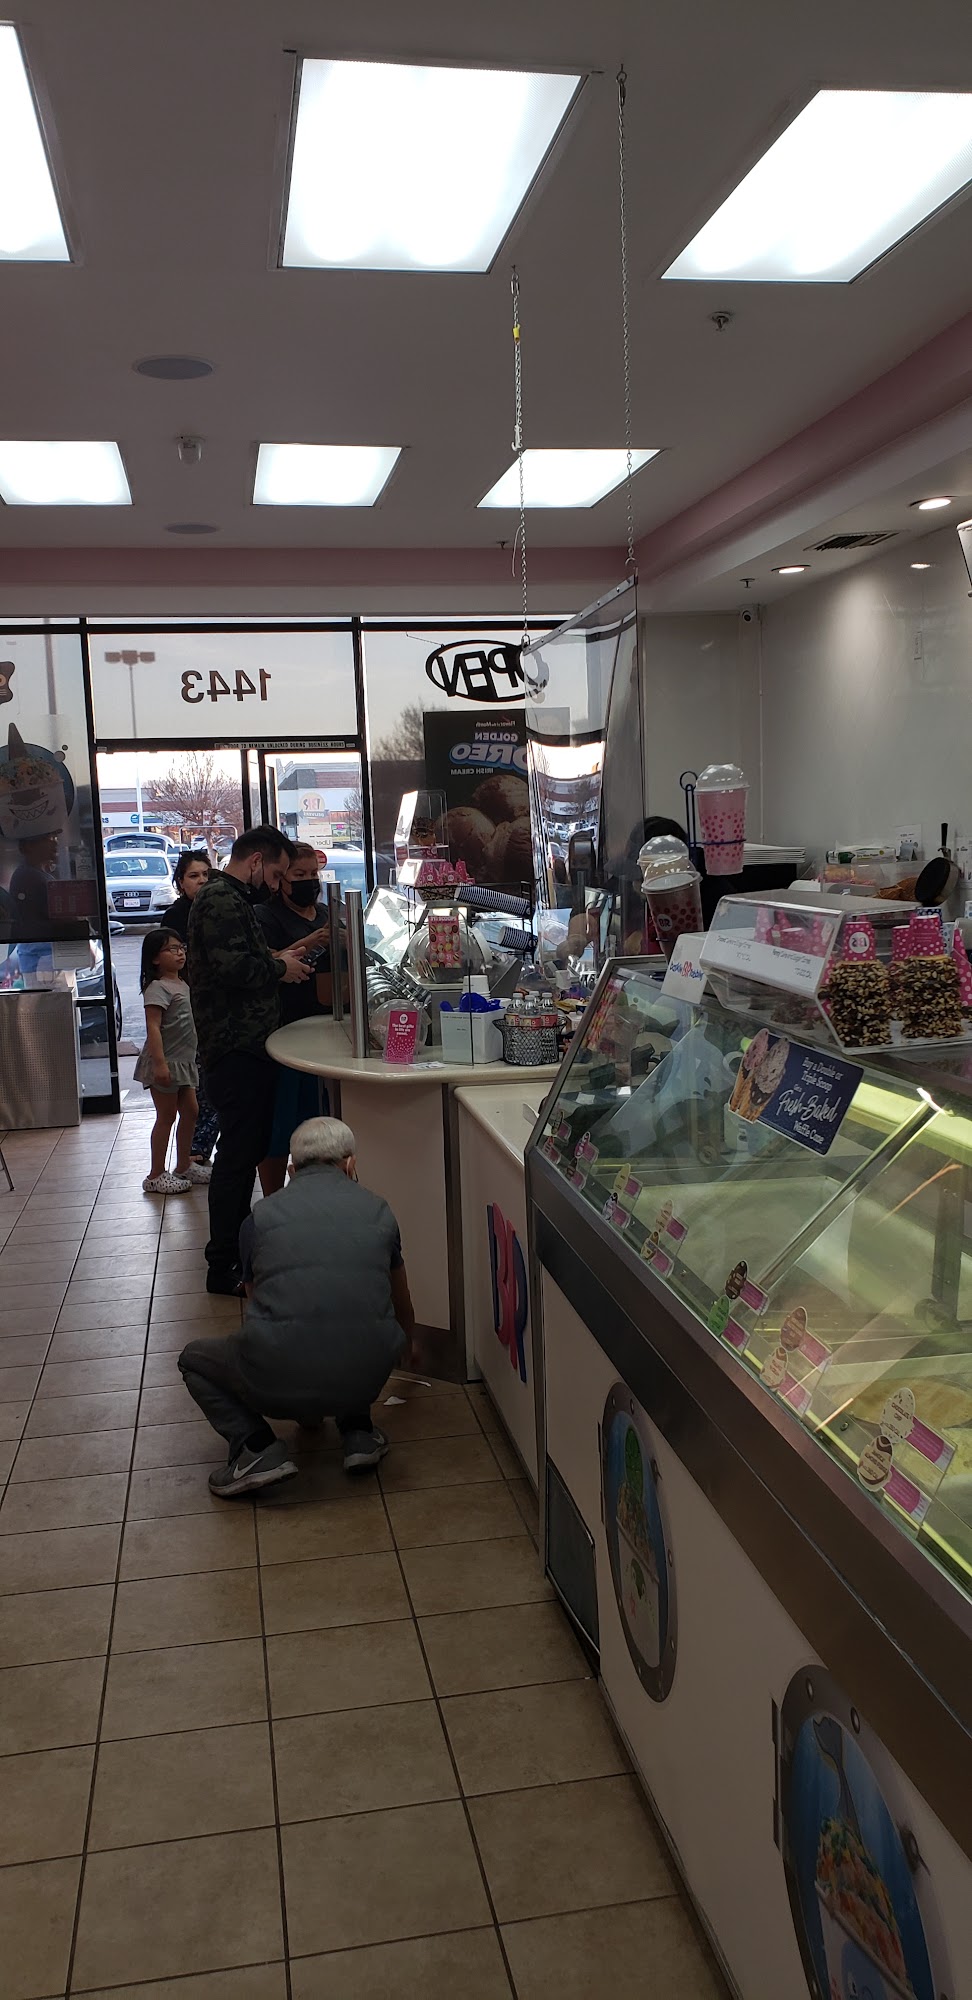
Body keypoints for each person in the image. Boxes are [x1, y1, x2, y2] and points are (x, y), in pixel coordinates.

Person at [178, 1116, 416, 1496]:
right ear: (351, 1165)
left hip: (278, 1377)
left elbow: (260, 1306)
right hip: (368, 1374)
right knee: (355, 1317)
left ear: (291, 1170)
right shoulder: (380, 1210)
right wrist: (407, 1347)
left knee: (194, 1359)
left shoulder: (259, 1219)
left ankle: (255, 1447)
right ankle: (359, 1433)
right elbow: (401, 1302)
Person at [187, 824, 310, 1293]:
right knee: (236, 1160)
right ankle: (222, 1265)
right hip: (234, 1047)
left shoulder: (233, 898)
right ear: (256, 861)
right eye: (276, 874)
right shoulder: (221, 898)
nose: (277, 885)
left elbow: (243, 956)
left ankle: (238, 1254)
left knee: (244, 1153)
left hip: (248, 1045)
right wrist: (281, 968)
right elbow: (234, 967)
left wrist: (280, 959)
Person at [255, 842, 344, 1194]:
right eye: (299, 874)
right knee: (279, 1126)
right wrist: (311, 941)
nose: (309, 881)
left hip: (325, 1030)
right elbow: (266, 963)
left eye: (313, 874)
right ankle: (274, 1198)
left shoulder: (325, 913)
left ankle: (316, 1193)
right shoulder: (266, 916)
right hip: (283, 1034)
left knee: (317, 1122)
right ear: (281, 879)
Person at [134, 928, 206, 1195]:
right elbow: (153, 1027)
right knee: (166, 1116)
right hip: (165, 1061)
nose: (180, 953)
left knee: (191, 1111)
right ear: (155, 958)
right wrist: (160, 1064)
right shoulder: (158, 988)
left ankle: (184, 1165)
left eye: (181, 947)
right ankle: (155, 1175)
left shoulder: (182, 983)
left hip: (184, 1062)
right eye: (171, 949)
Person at [167, 851, 220, 1168]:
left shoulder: (219, 909)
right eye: (193, 876)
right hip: (188, 1010)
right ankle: (194, 1150)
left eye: (206, 875)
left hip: (216, 1008)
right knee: (197, 1084)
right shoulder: (175, 917)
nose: (201, 881)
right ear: (180, 882)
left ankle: (202, 1148)